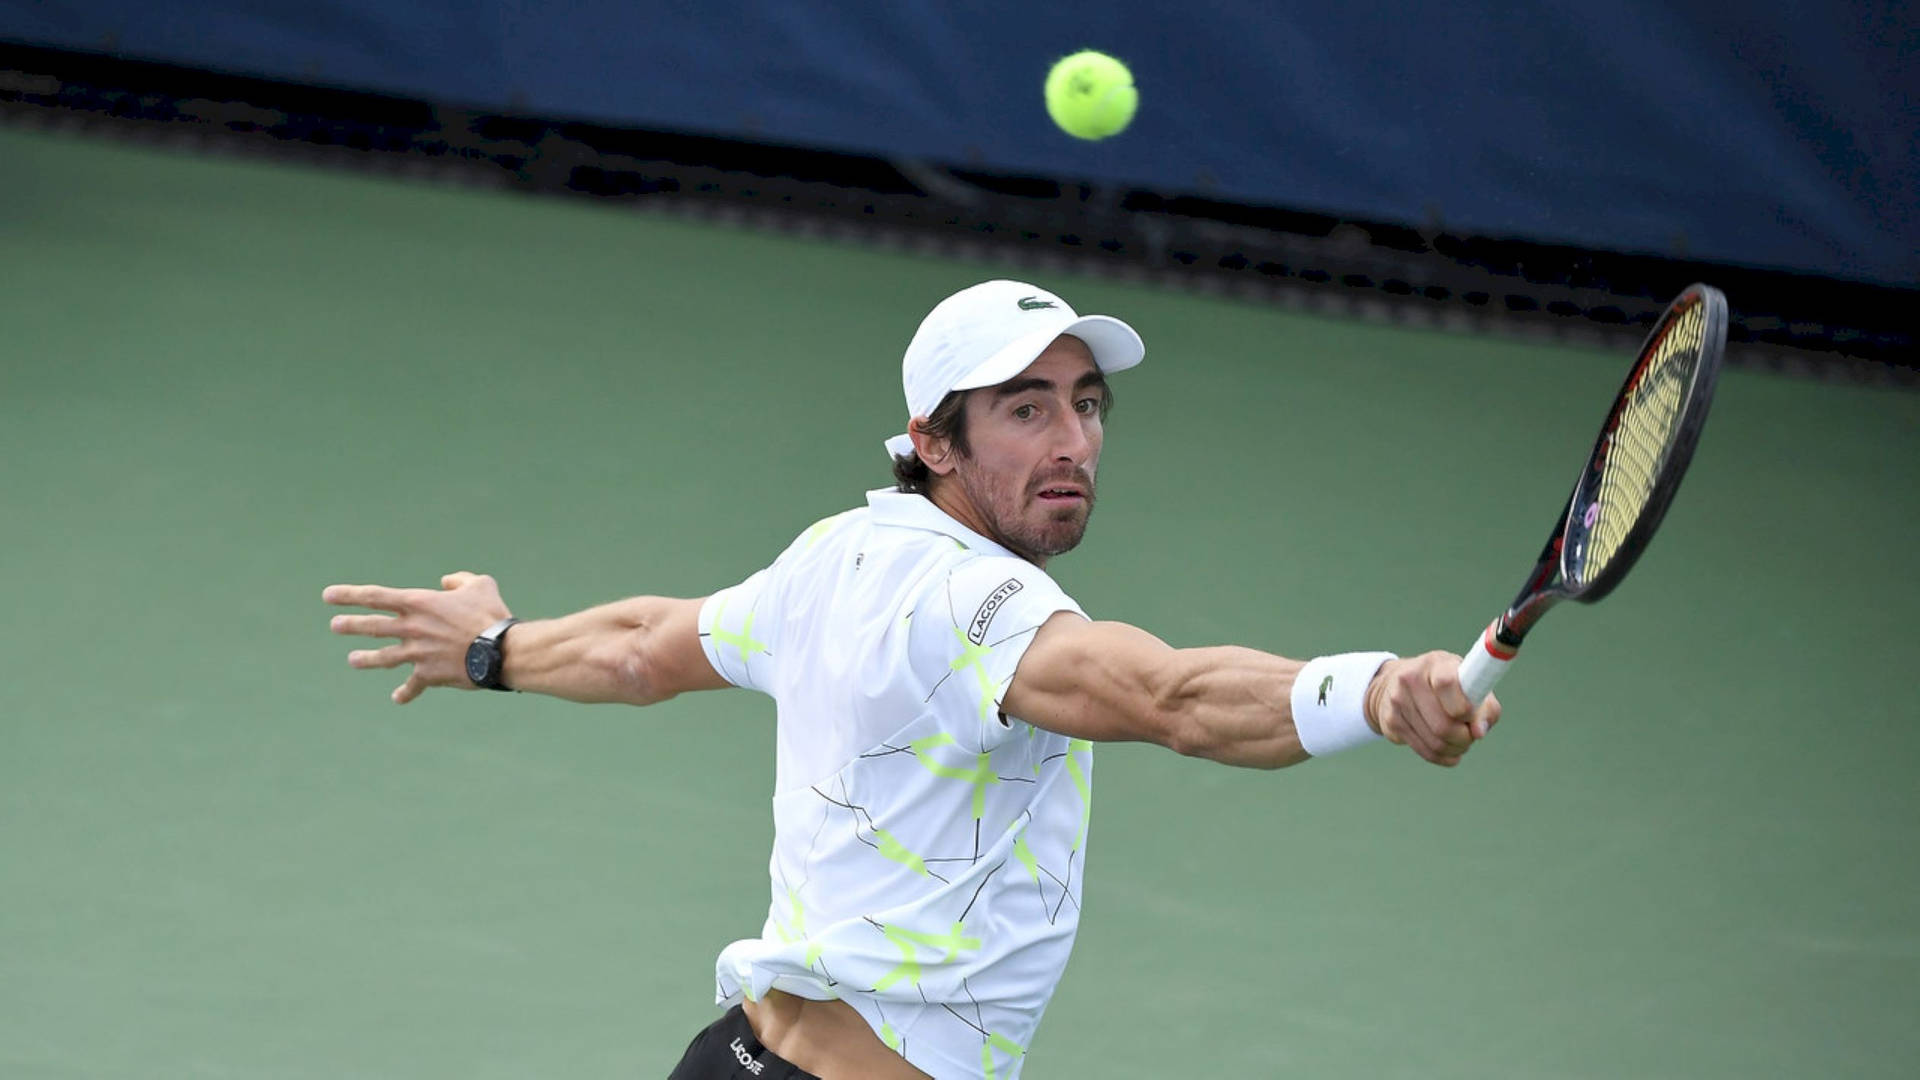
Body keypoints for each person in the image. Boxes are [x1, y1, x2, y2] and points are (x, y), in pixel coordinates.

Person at [324, 279, 1500, 1080]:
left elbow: (644, 648)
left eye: (1087, 406)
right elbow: (1172, 697)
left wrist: (495, 648)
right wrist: (1377, 692)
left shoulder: (836, 556)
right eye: (1025, 409)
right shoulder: (982, 609)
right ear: (933, 441)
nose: (1073, 442)